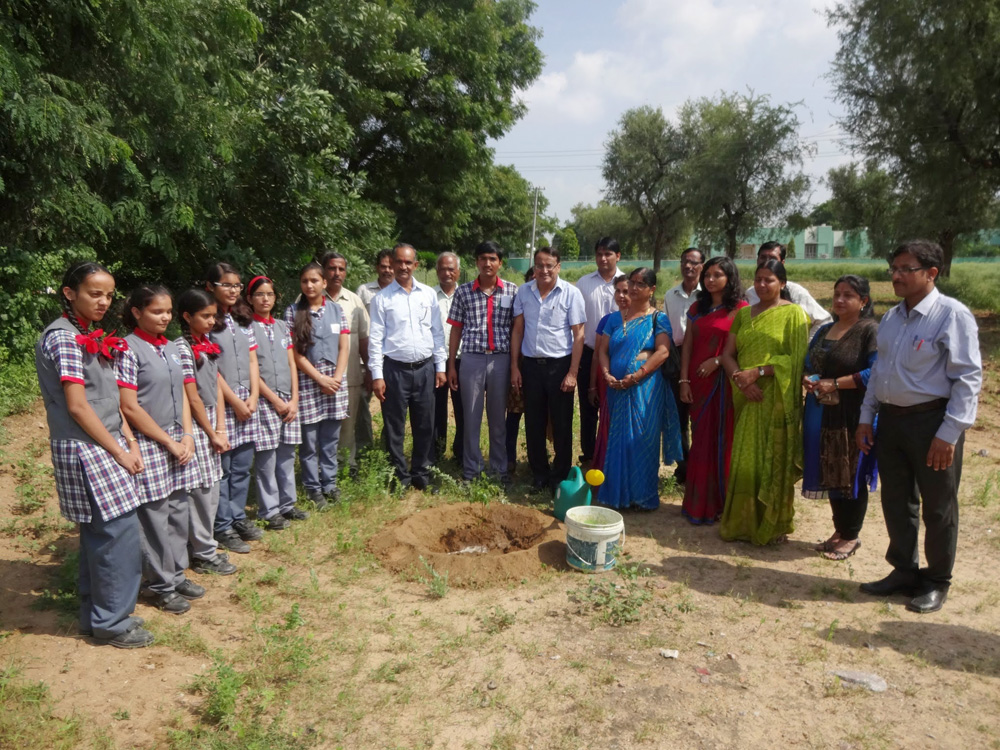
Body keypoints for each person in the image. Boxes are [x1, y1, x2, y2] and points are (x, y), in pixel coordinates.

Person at [857, 240, 982, 614]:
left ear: (931, 273)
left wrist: (949, 433)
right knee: (897, 500)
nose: (895, 276)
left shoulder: (951, 315)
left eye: (905, 269)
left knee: (938, 506)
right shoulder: (893, 318)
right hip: (892, 421)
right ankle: (904, 571)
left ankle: (936, 579)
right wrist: (867, 416)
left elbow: (968, 378)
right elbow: (880, 371)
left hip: (933, 423)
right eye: (893, 269)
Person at [35, 261, 153, 648]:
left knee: (101, 534)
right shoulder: (65, 338)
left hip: (102, 442)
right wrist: (119, 451)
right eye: (94, 293)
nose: (104, 302)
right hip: (88, 446)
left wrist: (129, 438)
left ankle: (96, 616)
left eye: (108, 294)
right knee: (116, 533)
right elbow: (78, 406)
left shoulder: (91, 335)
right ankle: (112, 623)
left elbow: (110, 399)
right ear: (70, 293)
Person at [118, 285, 203, 614]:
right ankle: (160, 584)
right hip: (152, 443)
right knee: (154, 517)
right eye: (156, 311)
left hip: (178, 441)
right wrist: (166, 441)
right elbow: (128, 405)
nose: (164, 317)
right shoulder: (128, 348)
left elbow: (183, 394)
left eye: (168, 311)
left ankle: (176, 571)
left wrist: (187, 435)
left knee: (178, 511)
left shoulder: (172, 348)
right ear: (137, 312)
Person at [719, 259, 809, 545]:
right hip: (747, 397)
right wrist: (740, 380)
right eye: (758, 279)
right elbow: (728, 355)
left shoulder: (794, 314)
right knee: (746, 460)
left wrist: (759, 372)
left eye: (768, 280)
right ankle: (743, 523)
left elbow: (794, 361)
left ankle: (773, 524)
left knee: (774, 460)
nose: (761, 285)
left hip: (776, 400)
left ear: (782, 283)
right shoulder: (744, 316)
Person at [802, 275, 879, 560]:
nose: (840, 300)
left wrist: (836, 383)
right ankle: (839, 530)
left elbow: (876, 373)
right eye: (837, 294)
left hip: (853, 413)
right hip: (821, 410)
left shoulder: (869, 331)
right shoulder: (825, 330)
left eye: (848, 295)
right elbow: (808, 363)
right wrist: (808, 379)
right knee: (830, 469)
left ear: (863, 301)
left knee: (851, 472)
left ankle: (852, 535)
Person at [598, 268, 682, 510]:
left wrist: (636, 376)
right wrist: (606, 374)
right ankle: (617, 494)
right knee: (619, 440)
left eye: (640, 284)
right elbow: (603, 351)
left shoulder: (658, 318)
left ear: (652, 289)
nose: (634, 288)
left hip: (646, 388)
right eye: (632, 283)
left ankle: (642, 496)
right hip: (615, 387)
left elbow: (663, 352)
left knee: (643, 439)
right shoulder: (614, 318)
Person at [369, 243, 447, 490]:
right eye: (398, 262)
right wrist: (377, 375)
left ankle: (422, 475)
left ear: (416, 265)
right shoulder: (382, 299)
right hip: (395, 370)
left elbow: (436, 332)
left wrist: (441, 366)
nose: (403, 267)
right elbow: (375, 339)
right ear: (392, 263)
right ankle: (399, 477)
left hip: (425, 369)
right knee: (395, 427)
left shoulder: (427, 295)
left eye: (408, 262)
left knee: (425, 424)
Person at [510, 246, 586, 493]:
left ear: (558, 266)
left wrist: (573, 373)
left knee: (562, 423)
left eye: (549, 265)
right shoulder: (524, 292)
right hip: (531, 366)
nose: (544, 270)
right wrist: (515, 367)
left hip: (560, 366)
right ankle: (539, 474)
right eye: (540, 265)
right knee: (533, 422)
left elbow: (579, 335)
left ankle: (560, 476)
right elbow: (518, 331)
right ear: (534, 266)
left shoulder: (571, 294)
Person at [678, 257, 747, 524]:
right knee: (701, 441)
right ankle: (698, 503)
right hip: (698, 380)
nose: (710, 279)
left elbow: (742, 347)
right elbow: (687, 346)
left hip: (725, 383)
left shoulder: (741, 309)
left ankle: (722, 503)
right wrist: (683, 380)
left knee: (723, 440)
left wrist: (718, 361)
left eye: (717, 275)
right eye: (707, 274)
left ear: (730, 278)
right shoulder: (698, 307)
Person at [174, 289, 237, 576]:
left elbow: (216, 387)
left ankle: (205, 543)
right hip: (196, 425)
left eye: (214, 316)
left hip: (213, 421)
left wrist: (222, 427)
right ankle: (201, 551)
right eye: (205, 316)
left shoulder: (207, 343)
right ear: (187, 317)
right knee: (199, 490)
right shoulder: (182, 349)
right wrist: (211, 432)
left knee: (212, 486)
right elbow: (192, 397)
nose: (212, 321)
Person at [447, 241, 518, 482]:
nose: (487, 263)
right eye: (482, 258)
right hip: (471, 360)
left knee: (498, 419)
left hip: (501, 360)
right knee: (471, 417)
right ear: (476, 262)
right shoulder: (463, 291)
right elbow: (456, 330)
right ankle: (472, 471)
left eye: (492, 258)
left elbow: (517, 329)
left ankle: (499, 470)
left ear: (500, 262)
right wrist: (451, 365)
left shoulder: (511, 290)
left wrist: (514, 365)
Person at [205, 262, 262, 554]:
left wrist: (252, 396)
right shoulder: (207, 323)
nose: (233, 290)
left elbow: (253, 360)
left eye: (237, 286)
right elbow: (211, 370)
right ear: (210, 287)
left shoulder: (242, 320)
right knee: (224, 469)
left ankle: (238, 517)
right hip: (223, 404)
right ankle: (222, 524)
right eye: (226, 285)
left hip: (247, 402)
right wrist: (236, 401)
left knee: (242, 466)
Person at [284, 261, 350, 507]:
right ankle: (313, 488)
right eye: (305, 281)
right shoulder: (292, 312)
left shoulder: (336, 311)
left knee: (330, 440)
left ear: (324, 283)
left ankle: (329, 483)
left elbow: (344, 347)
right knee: (310, 441)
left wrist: (336, 378)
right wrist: (319, 378)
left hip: (334, 382)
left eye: (314, 281)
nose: (309, 285)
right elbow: (295, 354)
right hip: (308, 382)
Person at [248, 276, 308, 527]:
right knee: (267, 457)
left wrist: (294, 399)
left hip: (288, 399)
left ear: (276, 297)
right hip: (265, 400)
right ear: (250, 299)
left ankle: (287, 503)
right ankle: (269, 510)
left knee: (285, 455)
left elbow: (292, 363)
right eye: (260, 294)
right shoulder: (246, 328)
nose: (265, 299)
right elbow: (252, 372)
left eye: (270, 294)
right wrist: (274, 400)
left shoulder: (283, 327)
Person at [321, 251, 373, 473]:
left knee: (347, 426)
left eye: (341, 269)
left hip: (350, 375)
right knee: (321, 425)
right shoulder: (310, 297)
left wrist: (370, 370)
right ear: (324, 270)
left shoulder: (354, 301)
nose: (337, 273)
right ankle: (321, 469)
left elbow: (364, 339)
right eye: (332, 268)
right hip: (318, 377)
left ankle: (346, 467)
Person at [574, 237, 625, 464]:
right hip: (588, 353)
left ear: (618, 256)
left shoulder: (627, 283)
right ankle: (589, 454)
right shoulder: (583, 283)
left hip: (620, 356)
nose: (603, 258)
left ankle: (612, 454)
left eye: (608, 254)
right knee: (588, 406)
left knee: (615, 407)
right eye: (599, 254)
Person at [663, 247, 705, 484]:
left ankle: (701, 466)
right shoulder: (671, 295)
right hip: (677, 357)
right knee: (678, 417)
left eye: (694, 263)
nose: (688, 266)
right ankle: (685, 468)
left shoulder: (707, 295)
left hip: (703, 357)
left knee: (699, 415)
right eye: (684, 262)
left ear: (702, 266)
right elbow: (667, 331)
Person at [744, 241, 832, 337]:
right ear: (757, 260)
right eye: (763, 257)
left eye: (773, 258)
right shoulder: (751, 293)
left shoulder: (796, 292)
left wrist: (808, 344)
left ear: (782, 263)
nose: (767, 261)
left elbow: (824, 320)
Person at [590, 276, 631, 471]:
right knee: (609, 424)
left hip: (636, 382)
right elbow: (599, 355)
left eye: (627, 291)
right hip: (608, 380)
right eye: (618, 291)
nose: (622, 296)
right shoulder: (608, 320)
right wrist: (592, 385)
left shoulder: (649, 319)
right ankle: (607, 469)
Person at [433, 252, 464, 464]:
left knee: (463, 409)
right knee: (436, 409)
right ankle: (436, 452)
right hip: (435, 361)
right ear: (437, 271)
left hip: (462, 360)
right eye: (443, 269)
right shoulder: (427, 295)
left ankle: (461, 453)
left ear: (458, 272)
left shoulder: (467, 294)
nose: (447, 273)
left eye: (451, 269)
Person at [504, 266, 534, 474]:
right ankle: (509, 458)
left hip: (540, 365)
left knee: (537, 417)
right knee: (513, 415)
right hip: (517, 363)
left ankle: (537, 460)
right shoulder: (519, 299)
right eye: (531, 280)